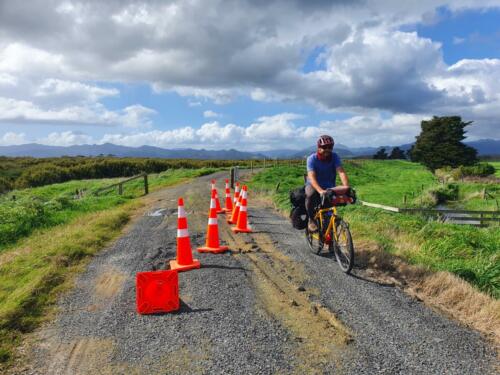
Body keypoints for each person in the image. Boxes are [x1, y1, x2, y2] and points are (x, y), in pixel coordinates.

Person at [305, 135, 349, 232]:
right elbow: (311, 177)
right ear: (319, 147)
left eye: (330, 147)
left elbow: (341, 171)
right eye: (324, 147)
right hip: (313, 185)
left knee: (329, 215)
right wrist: (320, 190)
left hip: (329, 186)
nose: (327, 150)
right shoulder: (311, 159)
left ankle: (331, 244)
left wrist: (346, 187)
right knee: (310, 194)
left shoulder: (334, 157)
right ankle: (311, 220)